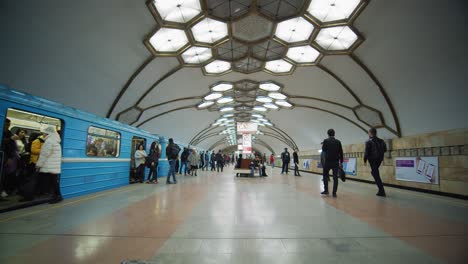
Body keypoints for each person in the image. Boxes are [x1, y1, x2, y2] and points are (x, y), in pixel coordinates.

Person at [36, 125, 63, 204]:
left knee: (53, 181)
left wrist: (38, 165)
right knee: (53, 181)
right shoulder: (55, 140)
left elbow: (44, 154)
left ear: (48, 133)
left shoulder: (49, 141)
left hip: (49, 165)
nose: (43, 135)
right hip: (53, 165)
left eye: (44, 133)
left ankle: (57, 196)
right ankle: (56, 196)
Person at [364, 128, 387, 197]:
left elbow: (366, 152)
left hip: (372, 159)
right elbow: (385, 150)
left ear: (370, 133)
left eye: (368, 133)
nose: (368, 134)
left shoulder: (368, 141)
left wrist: (364, 160)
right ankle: (381, 190)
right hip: (379, 159)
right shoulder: (382, 141)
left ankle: (381, 191)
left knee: (375, 173)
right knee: (374, 172)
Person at [321, 129, 343, 198]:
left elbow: (323, 150)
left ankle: (326, 190)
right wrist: (341, 161)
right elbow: (341, 152)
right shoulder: (338, 142)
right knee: (335, 177)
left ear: (328, 134)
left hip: (327, 162)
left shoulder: (326, 141)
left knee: (325, 175)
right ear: (334, 134)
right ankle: (334, 193)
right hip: (335, 162)